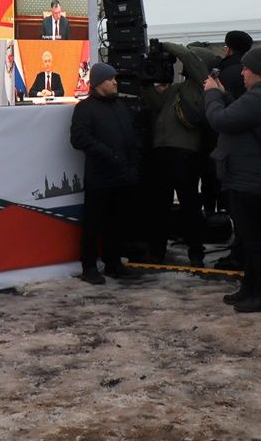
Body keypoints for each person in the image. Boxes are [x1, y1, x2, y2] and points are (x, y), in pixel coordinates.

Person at [204, 46, 261, 313]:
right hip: (254, 178)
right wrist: (226, 95)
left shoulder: (260, 98)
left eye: (246, 68)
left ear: (259, 72)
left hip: (251, 180)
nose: (242, 72)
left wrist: (211, 95)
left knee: (257, 240)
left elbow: (220, 120)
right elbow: (242, 118)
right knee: (251, 237)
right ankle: (251, 289)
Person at [140, 42, 211, 268]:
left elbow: (189, 57)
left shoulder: (202, 84)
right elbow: (156, 102)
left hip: (184, 154)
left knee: (189, 205)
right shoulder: (178, 89)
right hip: (162, 151)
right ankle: (157, 251)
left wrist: (165, 47)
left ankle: (196, 252)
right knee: (158, 206)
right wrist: (146, 80)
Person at [70, 63, 141, 283]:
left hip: (122, 176)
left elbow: (130, 136)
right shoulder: (85, 108)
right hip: (100, 177)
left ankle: (113, 263)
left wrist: (132, 163)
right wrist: (108, 154)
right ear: (99, 83)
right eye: (111, 79)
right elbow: (79, 139)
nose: (115, 82)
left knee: (117, 223)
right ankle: (89, 267)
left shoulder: (120, 106)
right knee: (93, 223)